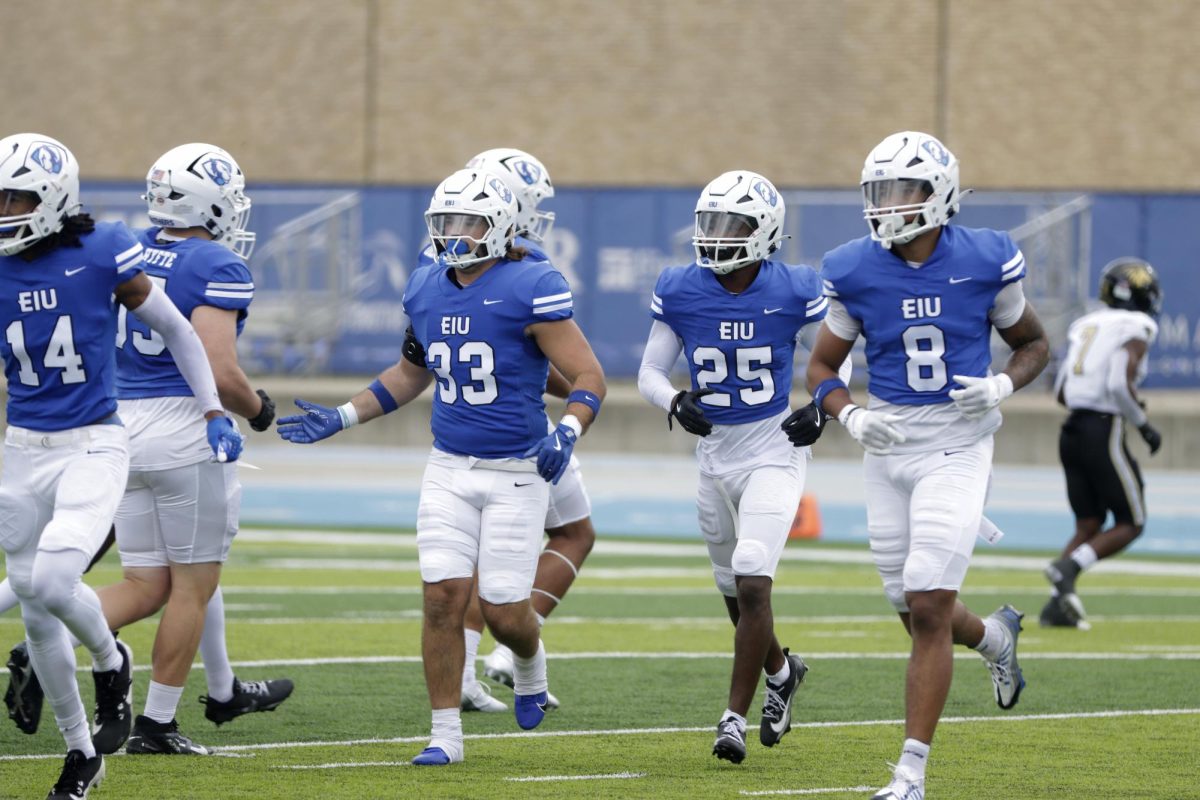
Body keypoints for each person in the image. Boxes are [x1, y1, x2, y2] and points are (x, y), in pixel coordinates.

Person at [277, 168, 606, 766]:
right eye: (446, 222)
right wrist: (345, 416)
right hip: (449, 466)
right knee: (441, 598)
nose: (455, 234)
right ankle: (445, 736)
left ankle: (529, 663)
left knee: (507, 613)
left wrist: (568, 429)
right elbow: (410, 373)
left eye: (468, 222)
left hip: (516, 469)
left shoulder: (533, 283)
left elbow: (589, 377)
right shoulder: (426, 285)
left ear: (500, 226)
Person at [805, 131, 1049, 800]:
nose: (885, 205)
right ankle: (995, 637)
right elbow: (822, 367)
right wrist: (849, 414)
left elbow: (1032, 344)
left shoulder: (986, 257)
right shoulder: (853, 267)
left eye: (900, 191)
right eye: (877, 192)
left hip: (958, 443)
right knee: (912, 608)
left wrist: (1000, 386)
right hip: (887, 449)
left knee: (927, 598)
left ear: (938, 194)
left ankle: (910, 773)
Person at [0, 133, 241, 799]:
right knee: (37, 613)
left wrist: (215, 408)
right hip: (20, 448)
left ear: (50, 198)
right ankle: (81, 755)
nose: (5, 209)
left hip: (94, 442)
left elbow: (179, 330)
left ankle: (112, 661)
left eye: (15, 197)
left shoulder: (104, 249)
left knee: (53, 581)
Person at [98, 142, 291, 754]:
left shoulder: (124, 245)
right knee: (192, 584)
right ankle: (157, 724)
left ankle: (41, 638)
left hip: (119, 425)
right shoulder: (218, 264)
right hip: (185, 429)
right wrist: (258, 410)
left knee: (142, 581)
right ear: (210, 202)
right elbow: (218, 368)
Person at [638, 171, 831, 764]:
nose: (717, 238)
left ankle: (732, 720)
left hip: (773, 448)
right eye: (711, 224)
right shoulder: (680, 287)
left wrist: (823, 407)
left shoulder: (795, 287)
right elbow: (649, 371)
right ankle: (781, 670)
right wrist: (673, 400)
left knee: (751, 576)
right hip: (714, 456)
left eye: (733, 226)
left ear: (766, 230)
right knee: (734, 592)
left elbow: (835, 361)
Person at [438, 149, 592, 713]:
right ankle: (510, 654)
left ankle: (482, 665)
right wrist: (572, 388)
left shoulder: (444, 261)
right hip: (516, 430)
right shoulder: (524, 266)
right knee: (574, 532)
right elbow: (536, 357)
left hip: (463, 429)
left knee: (475, 561)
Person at [1042, 258, 1163, 628]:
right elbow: (1115, 382)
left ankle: (1055, 607)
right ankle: (1068, 568)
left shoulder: (1086, 323)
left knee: (1088, 524)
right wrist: (1143, 425)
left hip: (1071, 430)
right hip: (1102, 428)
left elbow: (1061, 388)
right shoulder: (1137, 325)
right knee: (1132, 520)